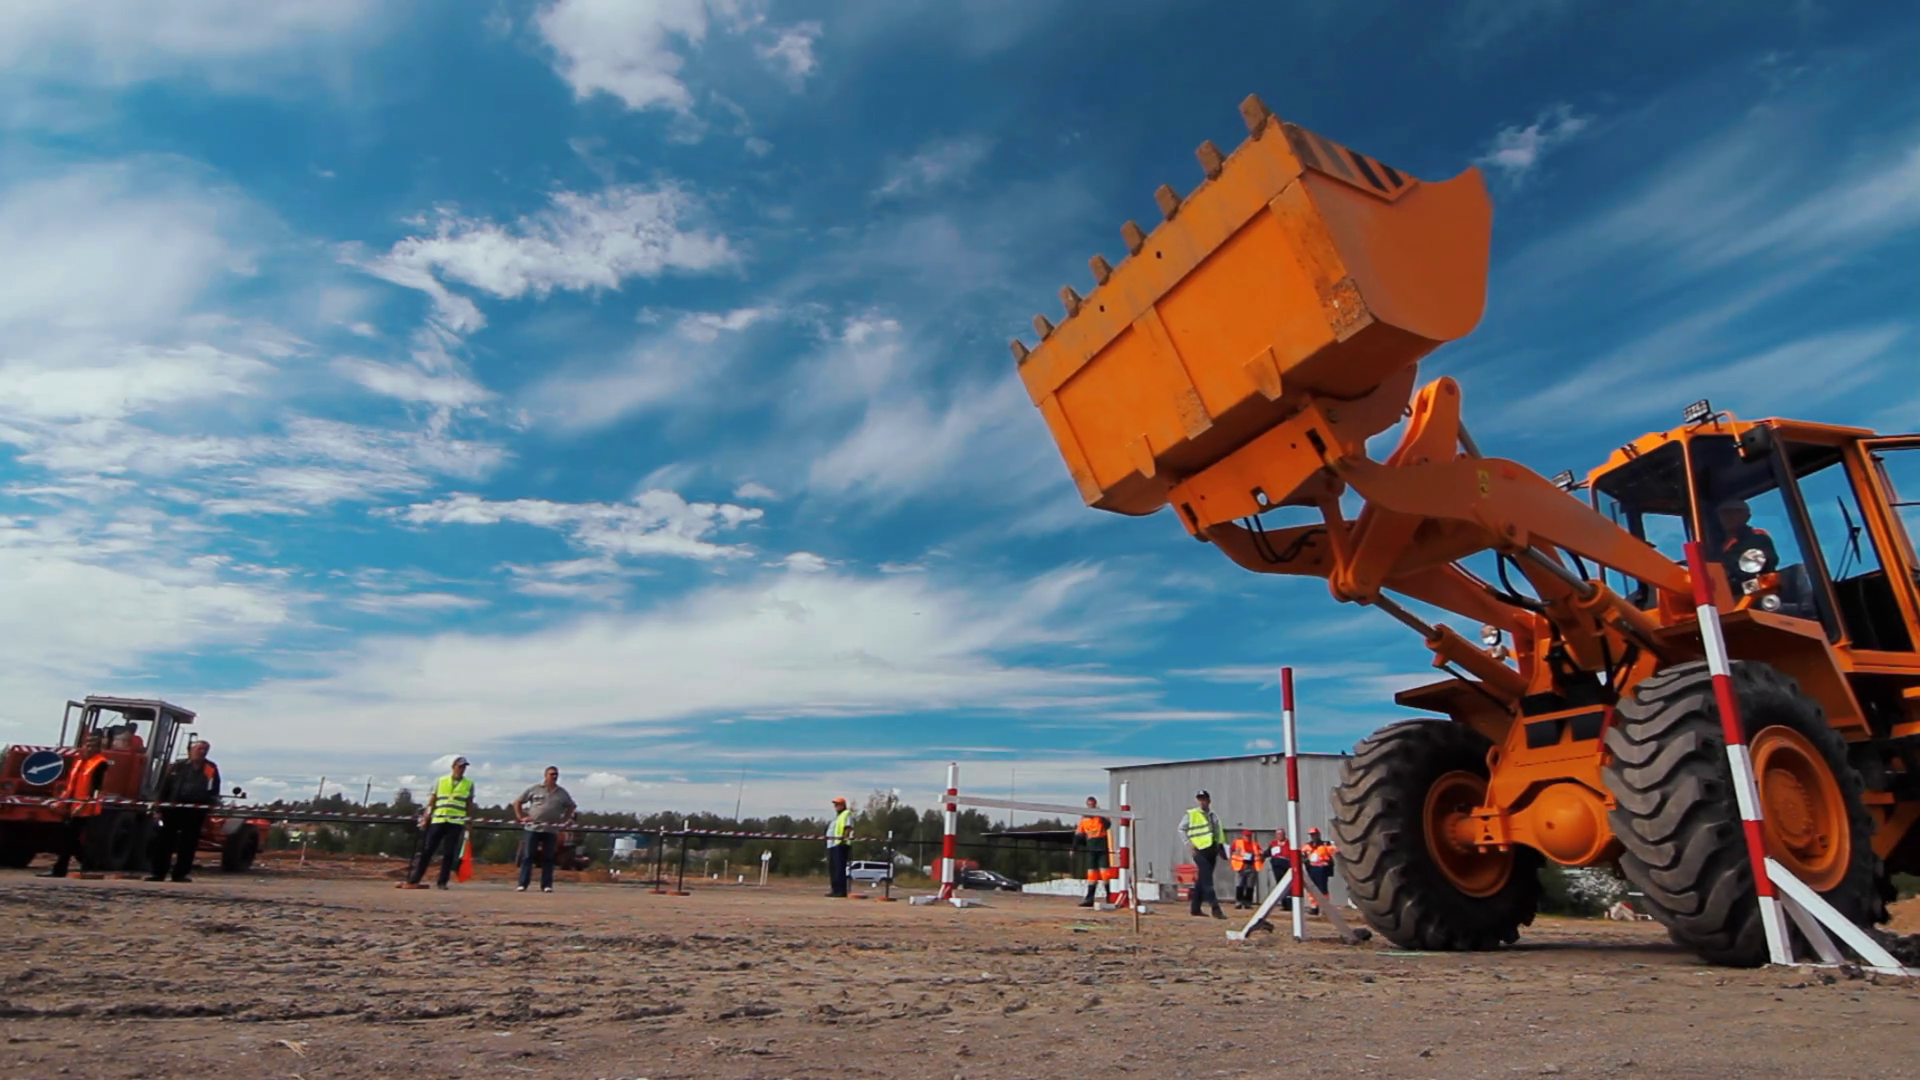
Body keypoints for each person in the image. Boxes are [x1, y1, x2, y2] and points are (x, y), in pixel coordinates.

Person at [149, 739, 220, 883]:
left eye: (205, 750)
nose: (203, 752)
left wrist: (210, 804)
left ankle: (180, 874)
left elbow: (214, 789)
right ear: (191, 750)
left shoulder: (210, 768)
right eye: (200, 749)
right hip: (173, 809)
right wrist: (159, 807)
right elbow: (165, 787)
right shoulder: (177, 766)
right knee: (164, 842)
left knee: (188, 843)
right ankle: (158, 873)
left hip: (196, 811)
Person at [41, 732, 111, 878]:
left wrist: (85, 804)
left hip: (87, 809)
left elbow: (97, 787)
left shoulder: (100, 763)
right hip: (73, 807)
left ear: (98, 748)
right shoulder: (79, 762)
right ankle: (78, 866)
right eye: (86, 745)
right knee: (70, 838)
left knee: (74, 838)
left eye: (92, 745)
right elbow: (70, 787)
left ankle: (64, 869)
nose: (88, 748)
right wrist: (60, 803)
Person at [405, 756, 474, 890]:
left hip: (455, 822)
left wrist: (468, 821)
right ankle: (415, 878)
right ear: (453, 767)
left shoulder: (469, 784)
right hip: (438, 820)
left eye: (464, 767)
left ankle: (442, 882)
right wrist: (426, 818)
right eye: (460, 767)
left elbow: (469, 804)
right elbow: (432, 800)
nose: (462, 769)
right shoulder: (441, 781)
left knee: (449, 853)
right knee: (427, 850)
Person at [512, 765, 577, 893]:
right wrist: (521, 816)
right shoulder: (535, 789)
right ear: (545, 775)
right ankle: (523, 884)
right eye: (552, 774)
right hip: (533, 828)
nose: (554, 776)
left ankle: (547, 885)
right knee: (528, 856)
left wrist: (564, 820)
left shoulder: (562, 793)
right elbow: (518, 802)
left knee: (548, 858)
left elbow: (571, 806)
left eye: (556, 774)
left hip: (550, 830)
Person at [1181, 790, 1227, 919]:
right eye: (1199, 799)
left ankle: (1195, 908)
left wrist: (1221, 847)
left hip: (1211, 850)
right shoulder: (1192, 814)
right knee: (1207, 881)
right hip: (1199, 850)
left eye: (1204, 799)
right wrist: (1189, 844)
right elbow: (1181, 829)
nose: (1202, 802)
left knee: (1202, 880)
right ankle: (1215, 908)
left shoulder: (1213, 816)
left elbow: (1218, 833)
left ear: (1209, 801)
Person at [1716, 499, 1777, 592]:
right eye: (1724, 513)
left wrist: (1727, 568)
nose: (1728, 517)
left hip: (1755, 594)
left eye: (1734, 512)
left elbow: (1762, 563)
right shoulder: (1715, 547)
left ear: (1746, 517)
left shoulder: (1758, 538)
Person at [1074, 796, 1112, 908]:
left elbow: (1108, 825)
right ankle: (1089, 898)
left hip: (1102, 846)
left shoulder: (1101, 816)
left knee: (1105, 873)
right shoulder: (1083, 820)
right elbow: (1078, 835)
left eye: (1092, 804)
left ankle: (1110, 896)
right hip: (1091, 847)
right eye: (1089, 804)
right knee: (1091, 873)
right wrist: (1074, 848)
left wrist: (1100, 815)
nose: (1091, 806)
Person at [1303, 827, 1338, 915]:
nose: (1313, 836)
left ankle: (1325, 908)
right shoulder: (1307, 846)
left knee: (1323, 889)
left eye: (1314, 834)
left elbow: (1335, 851)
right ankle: (1314, 907)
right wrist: (1304, 859)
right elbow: (1301, 855)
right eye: (1311, 835)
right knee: (1312, 889)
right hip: (1311, 869)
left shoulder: (1325, 845)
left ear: (1318, 835)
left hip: (1322, 869)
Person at [824, 796, 853, 897]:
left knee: (839, 868)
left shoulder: (846, 814)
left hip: (840, 845)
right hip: (832, 844)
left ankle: (841, 891)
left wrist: (843, 839)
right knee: (833, 868)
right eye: (835, 805)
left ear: (843, 805)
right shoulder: (837, 817)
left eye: (838, 804)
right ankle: (835, 889)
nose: (836, 806)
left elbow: (848, 828)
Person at [1229, 829, 1264, 909]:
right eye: (1246, 835)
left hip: (1252, 866)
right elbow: (1231, 851)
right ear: (1243, 835)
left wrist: (1260, 859)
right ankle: (1239, 902)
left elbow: (1261, 853)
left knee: (1250, 886)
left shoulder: (1255, 844)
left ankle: (1248, 903)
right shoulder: (1237, 843)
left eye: (1249, 836)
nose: (1248, 837)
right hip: (1241, 866)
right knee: (1239, 885)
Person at [1267, 828, 1295, 912]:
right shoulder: (1273, 844)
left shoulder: (1289, 843)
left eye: (1281, 834)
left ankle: (1290, 904)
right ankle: (1284, 904)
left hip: (1287, 866)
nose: (1280, 836)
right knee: (1280, 885)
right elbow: (1267, 853)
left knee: (1289, 886)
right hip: (1276, 867)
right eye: (1278, 834)